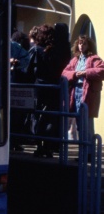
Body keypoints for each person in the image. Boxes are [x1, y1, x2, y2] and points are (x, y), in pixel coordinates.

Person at [62, 35, 104, 149]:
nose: (81, 46)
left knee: (87, 123)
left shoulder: (94, 58)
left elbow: (101, 71)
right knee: (79, 123)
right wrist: (75, 74)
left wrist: (86, 72)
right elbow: (64, 73)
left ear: (89, 45)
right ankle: (83, 152)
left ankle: (89, 152)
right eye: (80, 43)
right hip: (76, 92)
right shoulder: (75, 59)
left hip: (88, 93)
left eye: (84, 43)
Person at [26, 25, 62, 157]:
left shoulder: (36, 50)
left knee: (37, 116)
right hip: (53, 89)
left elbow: (27, 69)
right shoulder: (56, 52)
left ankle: (40, 146)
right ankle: (48, 146)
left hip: (39, 88)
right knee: (49, 118)